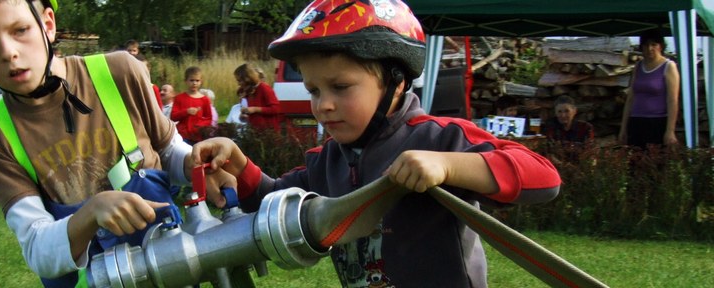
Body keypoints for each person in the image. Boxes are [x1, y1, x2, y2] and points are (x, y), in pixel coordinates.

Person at [192, 1, 560, 287]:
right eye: (314, 91)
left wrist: (449, 166)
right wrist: (239, 167)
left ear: (396, 82)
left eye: (340, 87)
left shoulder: (439, 137)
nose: (324, 105)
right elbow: (273, 201)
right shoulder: (327, 162)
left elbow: (545, 179)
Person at [0, 1, 204, 286]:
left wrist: (197, 163)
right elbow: (37, 249)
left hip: (169, 270)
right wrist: (90, 215)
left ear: (48, 24)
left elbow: (167, 153)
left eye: (20, 30)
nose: (9, 53)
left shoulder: (118, 73)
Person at [619, 29, 680, 149]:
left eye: (654, 45)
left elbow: (672, 100)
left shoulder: (668, 66)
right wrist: (623, 128)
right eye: (646, 45)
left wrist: (670, 130)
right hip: (636, 121)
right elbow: (631, 98)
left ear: (660, 46)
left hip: (657, 122)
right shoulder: (638, 66)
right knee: (635, 162)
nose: (650, 48)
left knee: (655, 163)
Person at [170, 66, 213, 143]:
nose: (194, 83)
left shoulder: (205, 99)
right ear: (186, 81)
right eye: (191, 80)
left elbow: (209, 118)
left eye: (197, 80)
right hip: (182, 135)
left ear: (201, 81)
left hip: (198, 136)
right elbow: (173, 116)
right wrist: (186, 112)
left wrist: (200, 125)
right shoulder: (179, 98)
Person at [234, 63, 282, 130]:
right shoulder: (247, 92)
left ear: (247, 78)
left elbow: (276, 109)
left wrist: (255, 109)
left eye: (240, 80)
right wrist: (244, 117)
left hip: (269, 131)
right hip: (255, 131)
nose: (238, 83)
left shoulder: (264, 88)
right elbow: (254, 115)